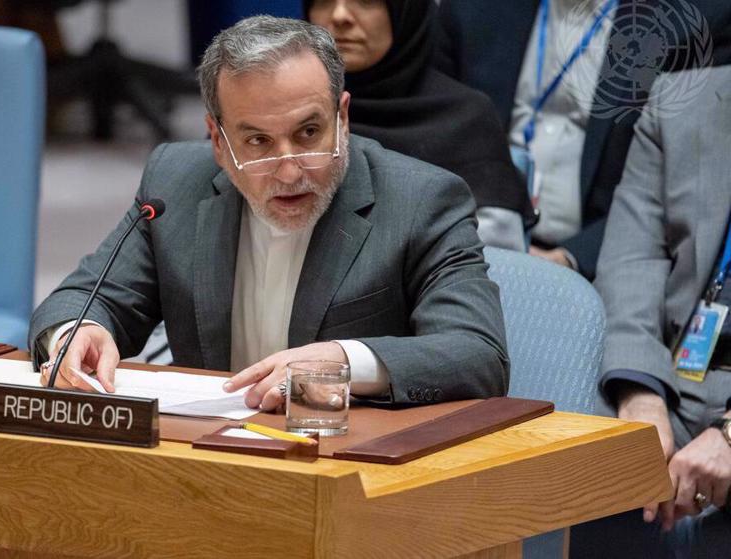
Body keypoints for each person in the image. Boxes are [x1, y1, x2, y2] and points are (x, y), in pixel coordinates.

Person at [29, 16, 509, 410]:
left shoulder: (421, 198)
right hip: (203, 460)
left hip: (346, 469)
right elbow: (86, 298)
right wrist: (78, 333)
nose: (287, 170)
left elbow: (477, 354)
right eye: (257, 141)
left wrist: (345, 360)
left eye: (308, 134)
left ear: (342, 118)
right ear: (218, 142)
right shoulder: (176, 181)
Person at [433, 0, 727, 279]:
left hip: (603, 263)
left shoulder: (695, 21)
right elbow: (434, 131)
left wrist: (572, 258)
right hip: (467, 243)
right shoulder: (473, 7)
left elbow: (678, 188)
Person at [569, 66, 731, 558]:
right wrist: (640, 395)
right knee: (554, 487)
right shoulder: (683, 100)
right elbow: (631, 258)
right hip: (672, 371)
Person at [305, 0, 535, 251]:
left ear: (406, 13)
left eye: (365, 1)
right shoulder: (283, 116)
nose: (340, 15)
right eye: (323, 0)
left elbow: (497, 265)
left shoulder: (464, 119)